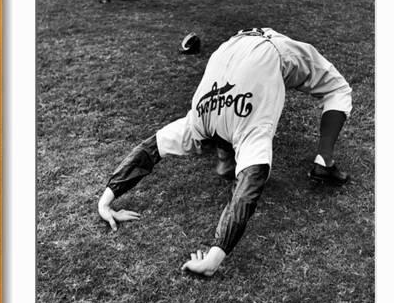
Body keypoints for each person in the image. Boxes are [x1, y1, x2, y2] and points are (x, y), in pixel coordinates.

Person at [97, 28, 352, 276]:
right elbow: (248, 186)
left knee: (331, 88)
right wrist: (213, 258)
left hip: (248, 50)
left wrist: (106, 200)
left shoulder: (199, 122)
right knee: (338, 90)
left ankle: (321, 161)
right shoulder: (223, 128)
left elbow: (151, 149)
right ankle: (324, 162)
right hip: (243, 49)